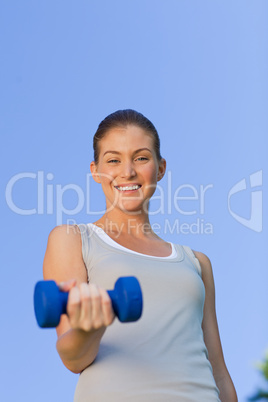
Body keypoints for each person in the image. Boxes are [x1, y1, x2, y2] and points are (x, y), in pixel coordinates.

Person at [43, 109, 237, 401]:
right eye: (113, 160)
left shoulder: (197, 262)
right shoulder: (72, 239)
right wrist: (91, 328)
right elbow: (73, 359)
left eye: (141, 157)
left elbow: (218, 369)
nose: (128, 172)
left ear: (160, 168)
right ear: (95, 171)